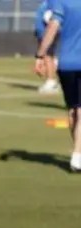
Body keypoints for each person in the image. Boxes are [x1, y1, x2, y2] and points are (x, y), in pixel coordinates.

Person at [37, 0, 81, 171]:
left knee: (73, 109)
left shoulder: (62, 2)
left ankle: (78, 152)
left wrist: (40, 55)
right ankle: (77, 155)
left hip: (66, 64)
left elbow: (53, 26)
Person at [36, 0, 61, 94]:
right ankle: (51, 81)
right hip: (44, 31)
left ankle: (51, 82)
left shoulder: (53, 2)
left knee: (48, 54)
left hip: (48, 32)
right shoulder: (46, 2)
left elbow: (50, 16)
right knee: (48, 55)